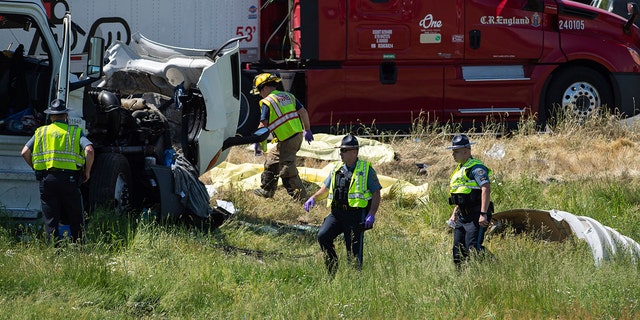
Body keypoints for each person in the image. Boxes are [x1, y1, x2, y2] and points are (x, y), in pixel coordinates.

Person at [303, 134, 382, 276]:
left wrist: (371, 214)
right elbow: (326, 188)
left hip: (355, 215)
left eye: (344, 151)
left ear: (354, 152)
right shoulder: (336, 168)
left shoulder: (366, 170)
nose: (341, 153)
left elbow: (376, 192)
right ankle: (332, 269)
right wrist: (314, 198)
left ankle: (355, 282)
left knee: (353, 252)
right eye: (340, 150)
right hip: (337, 214)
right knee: (323, 236)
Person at [21, 99, 94, 243]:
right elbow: (89, 150)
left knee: (50, 219)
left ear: (52, 116)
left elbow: (24, 152)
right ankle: (79, 247)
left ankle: (53, 250)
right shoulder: (75, 132)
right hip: (70, 179)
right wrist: (87, 171)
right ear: (65, 116)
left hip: (47, 179)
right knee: (75, 216)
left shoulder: (41, 132)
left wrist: (36, 167)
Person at [251, 72, 313, 201]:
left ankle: (301, 199)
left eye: (260, 91)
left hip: (288, 140)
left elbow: (263, 124)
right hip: (294, 137)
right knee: (272, 161)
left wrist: (257, 142)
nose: (260, 95)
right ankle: (267, 190)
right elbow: (303, 112)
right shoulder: (288, 96)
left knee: (287, 170)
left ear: (265, 88)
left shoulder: (267, 102)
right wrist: (307, 130)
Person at [445, 134, 493, 269]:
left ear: (466, 151)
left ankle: (495, 266)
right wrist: (454, 213)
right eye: (452, 151)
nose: (453, 155)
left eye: (456, 151)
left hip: (476, 214)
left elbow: (486, 188)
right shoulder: (460, 169)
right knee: (458, 250)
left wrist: (483, 213)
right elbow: (462, 195)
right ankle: (461, 277)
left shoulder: (476, 168)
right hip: (462, 216)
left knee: (473, 248)